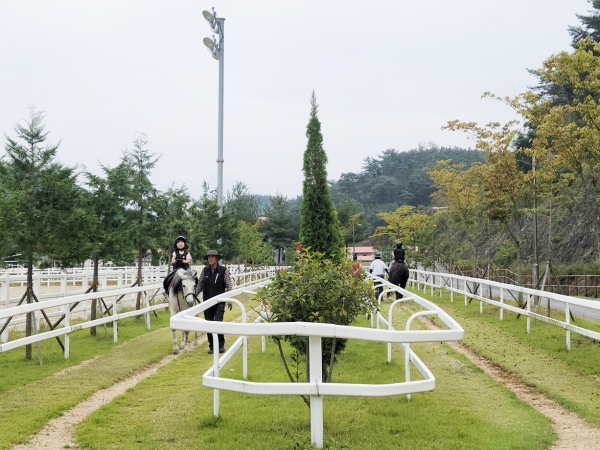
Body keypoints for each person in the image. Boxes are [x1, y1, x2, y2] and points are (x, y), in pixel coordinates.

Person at [195, 250, 232, 354]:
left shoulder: (223, 270)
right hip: (207, 301)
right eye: (209, 257)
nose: (210, 258)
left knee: (217, 322)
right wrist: (195, 294)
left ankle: (220, 345)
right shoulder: (205, 271)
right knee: (208, 324)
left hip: (220, 301)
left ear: (217, 259)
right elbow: (200, 284)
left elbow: (229, 285)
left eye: (212, 257)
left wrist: (229, 299)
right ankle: (212, 346)